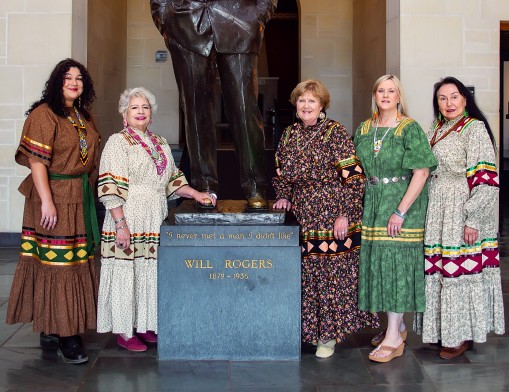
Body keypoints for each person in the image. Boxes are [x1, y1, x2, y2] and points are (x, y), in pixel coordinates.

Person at [96, 87, 215, 352]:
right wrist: (120, 224)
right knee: (127, 272)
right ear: (124, 114)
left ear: (151, 114)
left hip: (154, 214)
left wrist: (196, 193)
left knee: (148, 271)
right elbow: (109, 187)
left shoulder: (159, 141)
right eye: (134, 108)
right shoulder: (118, 142)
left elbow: (172, 179)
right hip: (128, 215)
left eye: (145, 107)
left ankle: (145, 325)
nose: (140, 112)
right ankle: (125, 332)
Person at [273, 80, 379, 358]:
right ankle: (309, 331)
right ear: (295, 106)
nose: (306, 106)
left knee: (331, 278)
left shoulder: (335, 132)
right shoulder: (289, 134)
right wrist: (284, 195)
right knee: (308, 277)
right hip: (304, 214)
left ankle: (328, 336)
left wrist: (345, 213)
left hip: (333, 211)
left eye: (312, 101)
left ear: (322, 106)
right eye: (301, 101)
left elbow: (354, 177)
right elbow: (281, 172)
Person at [6, 58, 100, 364]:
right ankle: (67, 337)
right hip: (54, 196)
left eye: (79, 78)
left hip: (78, 196)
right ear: (56, 82)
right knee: (58, 265)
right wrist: (46, 200)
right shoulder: (44, 114)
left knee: (72, 262)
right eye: (67, 78)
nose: (74, 82)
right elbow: (36, 162)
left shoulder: (82, 115)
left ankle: (53, 325)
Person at [150, 0, 277, 210]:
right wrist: (165, 19)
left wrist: (259, 14)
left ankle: (255, 185)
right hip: (186, 23)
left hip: (240, 22)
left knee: (245, 111)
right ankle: (205, 185)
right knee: (195, 112)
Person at [419, 76, 505, 359]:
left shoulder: (474, 129)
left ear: (465, 99)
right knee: (442, 269)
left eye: (454, 96)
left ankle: (461, 336)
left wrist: (474, 219)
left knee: (460, 270)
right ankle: (443, 330)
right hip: (438, 208)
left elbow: (487, 179)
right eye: (442, 98)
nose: (449, 103)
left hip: (461, 206)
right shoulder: (434, 128)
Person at [354, 75, 437, 363]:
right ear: (374, 95)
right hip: (374, 202)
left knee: (397, 267)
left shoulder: (409, 128)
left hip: (403, 203)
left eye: (392, 91)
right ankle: (396, 326)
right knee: (378, 265)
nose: (386, 95)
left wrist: (400, 211)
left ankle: (393, 339)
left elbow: (422, 172)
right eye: (381, 90)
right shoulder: (365, 128)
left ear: (399, 96)